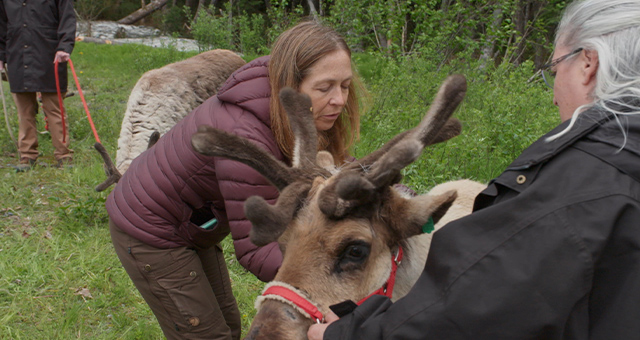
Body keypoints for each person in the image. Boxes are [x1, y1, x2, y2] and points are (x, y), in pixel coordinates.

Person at [309, 0, 640, 339]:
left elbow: (466, 311)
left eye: (554, 70)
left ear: (588, 64)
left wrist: (348, 335)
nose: (554, 95)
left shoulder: (575, 190)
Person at [106, 20, 365, 340]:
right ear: (290, 83)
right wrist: (333, 276)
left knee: (228, 325)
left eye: (345, 85)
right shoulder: (246, 138)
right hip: (148, 228)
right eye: (325, 87)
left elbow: (329, 171)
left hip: (196, 222)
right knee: (207, 335)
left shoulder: (294, 111)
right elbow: (256, 249)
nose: (339, 99)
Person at [0, 0, 76, 171]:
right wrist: (1, 54)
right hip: (17, 55)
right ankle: (27, 155)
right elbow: (2, 25)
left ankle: (64, 156)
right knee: (24, 110)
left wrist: (65, 46)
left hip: (50, 55)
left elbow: (68, 19)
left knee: (54, 108)